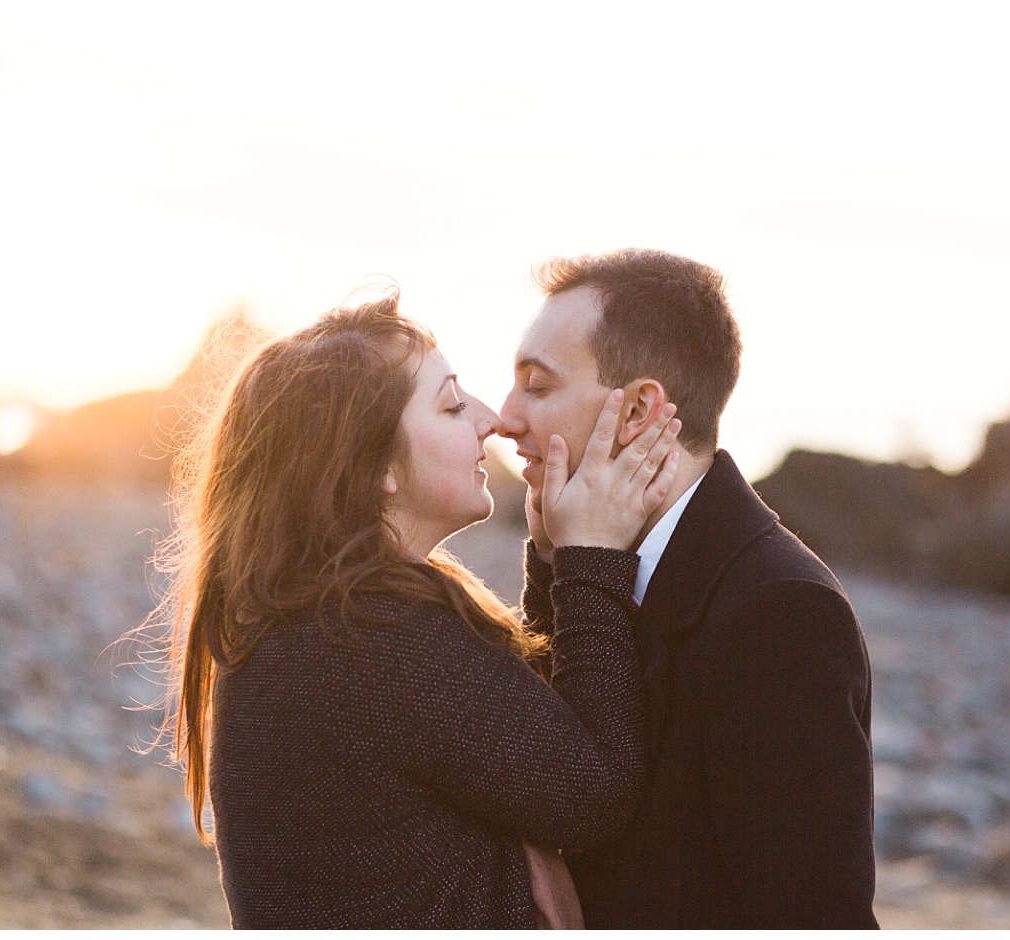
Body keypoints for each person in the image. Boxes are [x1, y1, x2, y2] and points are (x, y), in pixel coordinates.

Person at [146, 289, 683, 928]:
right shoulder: (373, 637)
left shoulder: (313, 619)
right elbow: (591, 791)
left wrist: (551, 563)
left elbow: (519, 744)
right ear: (374, 467)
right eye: (453, 405)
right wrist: (593, 560)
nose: (493, 420)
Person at [499, 248, 879, 928]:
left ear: (639, 408)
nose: (506, 418)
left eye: (538, 385)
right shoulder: (594, 560)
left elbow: (815, 915)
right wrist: (558, 565)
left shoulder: (783, 613)